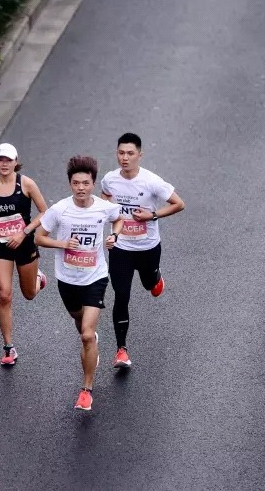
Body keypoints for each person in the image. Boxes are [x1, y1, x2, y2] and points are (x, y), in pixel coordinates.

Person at [35, 155, 123, 411]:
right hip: (67, 279)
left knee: (86, 335)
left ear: (93, 184)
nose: (81, 188)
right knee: (79, 322)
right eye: (76, 183)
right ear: (70, 184)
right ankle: (89, 338)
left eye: (85, 183)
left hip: (95, 277)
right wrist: (63, 244)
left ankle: (86, 389)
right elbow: (40, 238)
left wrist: (113, 236)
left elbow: (118, 219)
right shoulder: (59, 210)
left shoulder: (103, 208)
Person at [100, 132, 185, 369]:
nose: (124, 158)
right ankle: (121, 350)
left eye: (130, 153)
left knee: (149, 285)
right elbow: (105, 195)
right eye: (121, 153)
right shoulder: (110, 179)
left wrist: (152, 215)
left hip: (148, 246)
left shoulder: (151, 182)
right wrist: (109, 213)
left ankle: (155, 277)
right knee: (122, 294)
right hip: (121, 247)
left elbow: (179, 204)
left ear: (140, 155)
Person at [0, 143, 49, 366]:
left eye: (8, 160)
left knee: (29, 294)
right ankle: (8, 347)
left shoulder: (26, 184)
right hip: (1, 245)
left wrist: (24, 232)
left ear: (16, 161)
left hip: (24, 244)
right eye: (0, 160)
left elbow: (45, 211)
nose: (4, 164)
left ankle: (38, 280)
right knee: (4, 294)